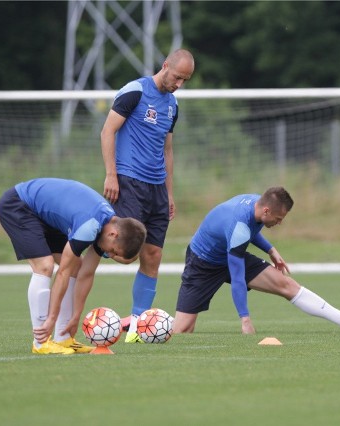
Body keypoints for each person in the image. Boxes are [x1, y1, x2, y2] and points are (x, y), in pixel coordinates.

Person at [171, 187, 340, 335]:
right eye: (278, 218)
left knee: (285, 284)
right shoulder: (239, 227)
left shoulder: (256, 205)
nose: (280, 222)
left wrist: (270, 249)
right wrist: (245, 319)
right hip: (203, 262)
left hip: (231, 249)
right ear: (266, 211)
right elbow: (238, 277)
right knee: (183, 330)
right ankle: (148, 326)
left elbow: (251, 229)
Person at [100, 48, 195, 343]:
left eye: (185, 80)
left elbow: (167, 150)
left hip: (156, 189)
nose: (179, 84)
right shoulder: (135, 91)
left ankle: (138, 328)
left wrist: (169, 193)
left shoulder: (172, 106)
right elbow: (107, 131)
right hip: (129, 181)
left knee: (152, 255)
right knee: (125, 253)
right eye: (177, 77)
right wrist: (111, 174)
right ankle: (80, 249)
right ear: (165, 66)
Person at [0, 178, 146, 354]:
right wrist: (51, 318)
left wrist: (76, 316)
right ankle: (41, 342)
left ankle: (64, 338)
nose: (110, 256)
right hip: (19, 205)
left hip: (44, 216)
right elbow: (62, 273)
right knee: (45, 265)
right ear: (113, 234)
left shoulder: (106, 226)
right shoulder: (90, 226)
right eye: (114, 251)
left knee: (77, 264)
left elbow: (87, 273)